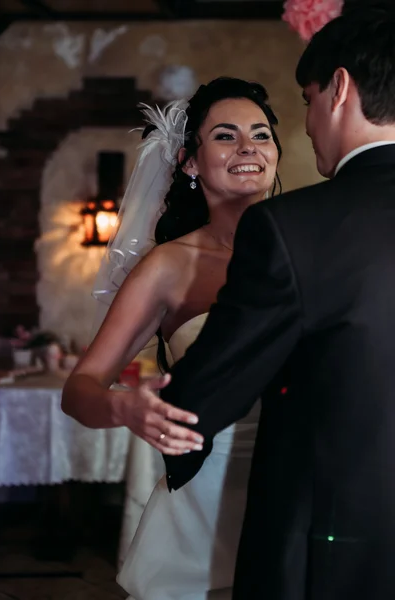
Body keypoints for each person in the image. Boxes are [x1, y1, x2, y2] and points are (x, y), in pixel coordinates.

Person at [154, 5, 395, 600]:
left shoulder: (293, 227)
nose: (307, 124)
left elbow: (205, 393)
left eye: (307, 99)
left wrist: (162, 411)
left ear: (338, 89)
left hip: (334, 547)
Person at [62, 77, 282, 599]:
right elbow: (80, 389)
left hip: (293, 491)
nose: (249, 147)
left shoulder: (308, 244)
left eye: (261, 134)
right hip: (201, 502)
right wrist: (125, 409)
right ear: (189, 161)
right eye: (226, 136)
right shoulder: (167, 266)